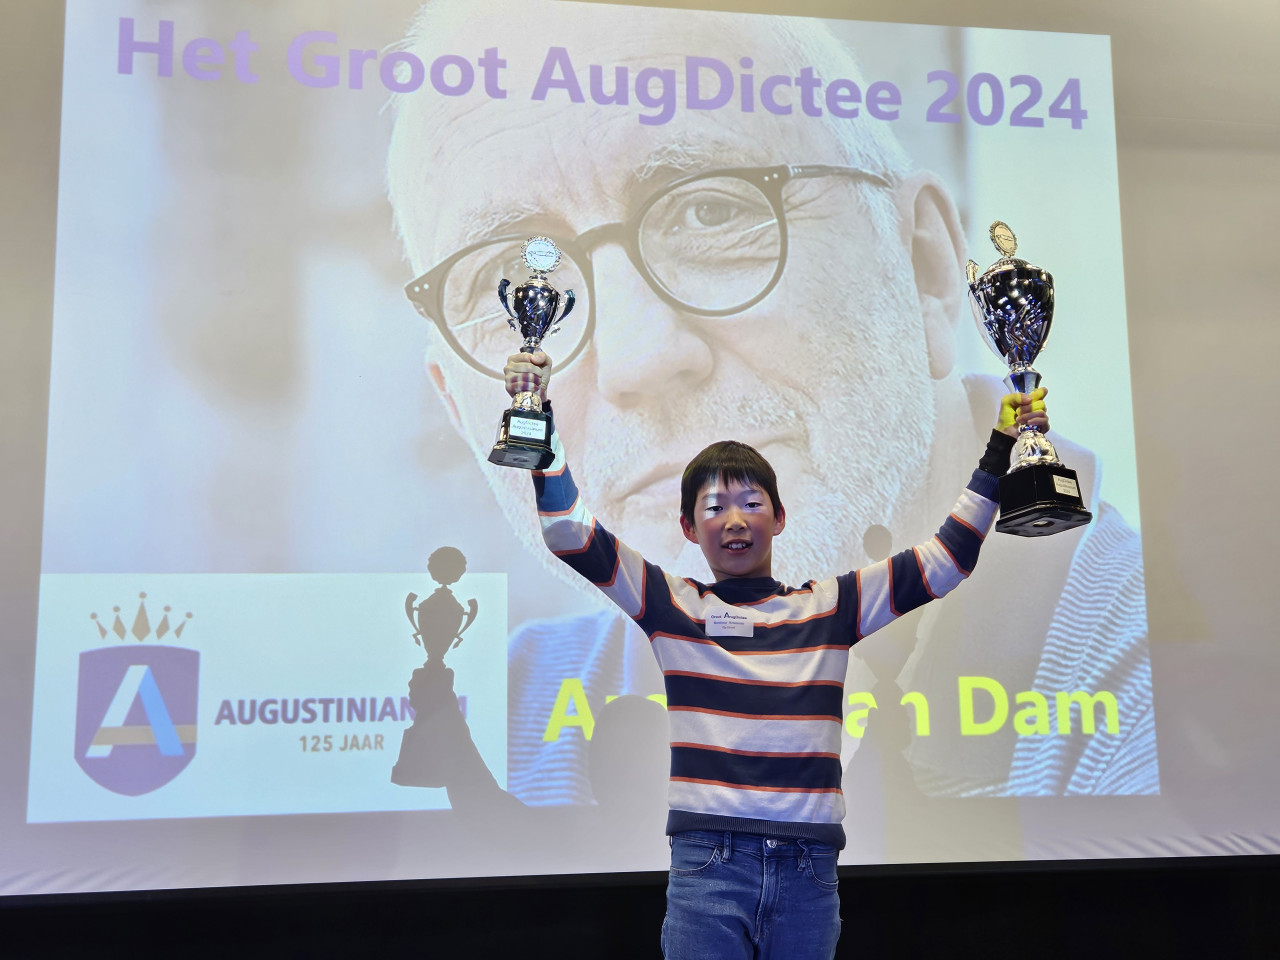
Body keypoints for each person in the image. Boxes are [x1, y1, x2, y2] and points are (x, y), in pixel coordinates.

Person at [387, 0, 1155, 830]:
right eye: (510, 284)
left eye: (710, 211)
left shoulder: (1173, 690)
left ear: (927, 273)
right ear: (460, 409)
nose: (639, 359)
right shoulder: (477, 726)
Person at [503, 346, 1044, 958]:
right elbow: (569, 534)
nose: (734, 519)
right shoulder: (670, 604)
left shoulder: (831, 606)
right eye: (714, 508)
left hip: (808, 870)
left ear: (779, 518)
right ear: (689, 528)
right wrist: (538, 417)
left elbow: (947, 561)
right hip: (708, 865)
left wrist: (1000, 449)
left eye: (751, 503)